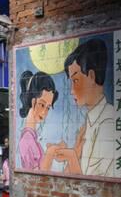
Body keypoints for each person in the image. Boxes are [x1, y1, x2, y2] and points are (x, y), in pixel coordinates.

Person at [55, 38, 115, 176]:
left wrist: (71, 156)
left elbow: (92, 184)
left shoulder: (109, 122)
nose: (71, 90)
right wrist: (75, 151)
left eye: (75, 80)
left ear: (92, 76)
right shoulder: (89, 122)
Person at [17, 70, 61, 171]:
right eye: (42, 104)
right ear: (33, 102)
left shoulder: (32, 137)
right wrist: (50, 153)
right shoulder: (27, 139)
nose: (44, 112)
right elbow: (37, 176)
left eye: (48, 107)